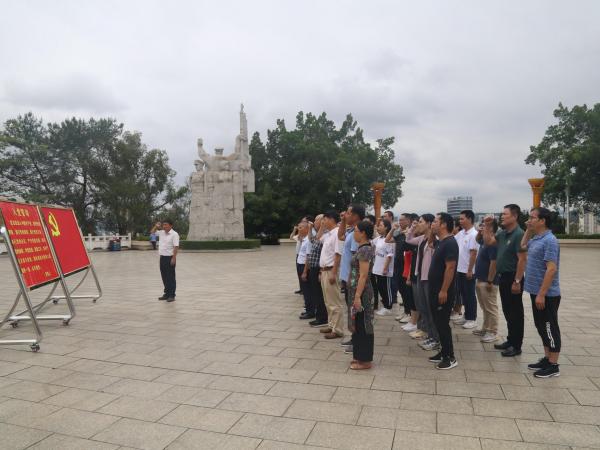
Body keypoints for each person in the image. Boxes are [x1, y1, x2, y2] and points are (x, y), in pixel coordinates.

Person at [521, 207, 562, 378]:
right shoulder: (537, 238)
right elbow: (523, 246)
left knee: (549, 327)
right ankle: (547, 358)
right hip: (536, 292)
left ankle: (553, 365)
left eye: (532, 218)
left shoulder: (550, 240)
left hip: (547, 295)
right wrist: (528, 230)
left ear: (542, 221)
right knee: (541, 326)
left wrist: (542, 294)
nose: (529, 220)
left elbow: (551, 269)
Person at [483, 204, 527, 357]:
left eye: (505, 214)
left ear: (514, 216)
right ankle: (510, 340)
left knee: (516, 313)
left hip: (513, 277)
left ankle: (516, 345)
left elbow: (522, 260)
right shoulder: (503, 233)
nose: (502, 216)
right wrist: (487, 226)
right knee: (508, 311)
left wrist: (517, 281)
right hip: (503, 277)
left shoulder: (519, 234)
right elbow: (488, 242)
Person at [428, 213, 459, 370]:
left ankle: (450, 357)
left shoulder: (450, 243)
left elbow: (450, 268)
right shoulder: (441, 242)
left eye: (435, 221)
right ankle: (443, 351)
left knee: (442, 323)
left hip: (442, 291)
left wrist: (444, 290)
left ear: (444, 224)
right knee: (438, 323)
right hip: (434, 289)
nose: (432, 224)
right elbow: (429, 242)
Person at [406, 214, 439, 349]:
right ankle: (430, 335)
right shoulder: (421, 239)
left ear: (429, 224)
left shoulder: (435, 240)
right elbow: (409, 239)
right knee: (423, 308)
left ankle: (435, 339)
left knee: (431, 310)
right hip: (420, 276)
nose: (418, 224)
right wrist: (412, 228)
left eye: (420, 222)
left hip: (429, 278)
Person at [348, 219, 376, 370]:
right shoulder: (362, 248)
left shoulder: (365, 250)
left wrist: (358, 296)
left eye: (356, 231)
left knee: (364, 324)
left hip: (363, 293)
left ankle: (365, 360)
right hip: (356, 291)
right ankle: (358, 356)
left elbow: (363, 276)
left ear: (363, 233)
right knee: (357, 323)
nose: (354, 233)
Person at [338, 204, 366, 348]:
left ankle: (357, 341)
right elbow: (340, 236)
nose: (345, 215)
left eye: (348, 213)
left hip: (352, 279)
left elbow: (357, 260)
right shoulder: (351, 231)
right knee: (351, 310)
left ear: (355, 216)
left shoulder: (357, 233)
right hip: (348, 278)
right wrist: (343, 221)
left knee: (355, 311)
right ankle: (354, 337)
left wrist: (351, 279)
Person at [319, 210, 345, 339]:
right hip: (324, 270)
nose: (323, 222)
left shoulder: (337, 233)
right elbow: (318, 239)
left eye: (324, 219)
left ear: (331, 219)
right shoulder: (328, 234)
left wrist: (334, 272)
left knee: (334, 302)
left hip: (331, 270)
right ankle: (331, 324)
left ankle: (338, 329)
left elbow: (338, 254)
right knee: (328, 301)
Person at [474, 219, 500, 343]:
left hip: (488, 281)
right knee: (485, 307)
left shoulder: (492, 243)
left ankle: (493, 332)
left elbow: (494, 263)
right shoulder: (485, 242)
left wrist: (490, 281)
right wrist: (480, 233)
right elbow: (477, 239)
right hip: (480, 279)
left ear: (491, 229)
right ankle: (485, 328)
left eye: (484, 226)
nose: (482, 227)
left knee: (491, 308)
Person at [454, 210, 480, 329]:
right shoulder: (461, 233)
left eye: (462, 219)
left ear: (469, 219)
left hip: (468, 271)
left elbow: (473, 253)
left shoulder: (474, 234)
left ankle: (472, 318)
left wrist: (470, 270)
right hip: (459, 269)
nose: (460, 221)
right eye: (459, 219)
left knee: (470, 295)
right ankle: (466, 315)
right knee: (463, 294)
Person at [303, 215, 328, 327]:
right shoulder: (319, 234)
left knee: (319, 294)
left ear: (322, 221)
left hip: (319, 268)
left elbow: (325, 255)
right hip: (313, 268)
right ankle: (319, 316)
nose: (314, 222)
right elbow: (312, 240)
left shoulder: (326, 235)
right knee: (316, 294)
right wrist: (310, 228)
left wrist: (321, 271)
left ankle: (322, 318)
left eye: (316, 220)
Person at [150, 219, 179, 302]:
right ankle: (166, 294)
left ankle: (172, 295)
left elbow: (176, 247)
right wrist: (156, 226)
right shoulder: (161, 232)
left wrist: (174, 258)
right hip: (162, 257)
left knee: (170, 277)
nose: (164, 226)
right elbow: (152, 232)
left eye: (166, 224)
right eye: (163, 225)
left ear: (171, 225)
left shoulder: (174, 234)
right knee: (164, 277)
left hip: (170, 258)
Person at [373, 219, 394, 316]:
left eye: (380, 226)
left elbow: (390, 255)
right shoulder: (378, 238)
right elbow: (371, 243)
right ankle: (385, 305)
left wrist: (385, 268)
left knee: (386, 288)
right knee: (380, 287)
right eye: (378, 226)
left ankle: (388, 307)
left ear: (386, 227)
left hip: (385, 269)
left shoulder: (389, 240)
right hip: (377, 268)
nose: (378, 228)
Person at [296, 222, 314, 319]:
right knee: (305, 290)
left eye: (301, 227)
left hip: (304, 267)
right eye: (298, 227)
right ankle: (308, 309)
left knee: (307, 291)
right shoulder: (303, 239)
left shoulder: (308, 241)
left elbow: (308, 256)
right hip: (300, 265)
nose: (298, 229)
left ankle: (310, 311)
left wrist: (305, 271)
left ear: (307, 229)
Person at [290, 224, 302, 294]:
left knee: (301, 272)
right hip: (298, 255)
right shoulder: (298, 236)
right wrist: (294, 230)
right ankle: (301, 288)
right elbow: (291, 237)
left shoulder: (304, 236)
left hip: (302, 256)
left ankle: (303, 289)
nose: (299, 228)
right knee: (299, 273)